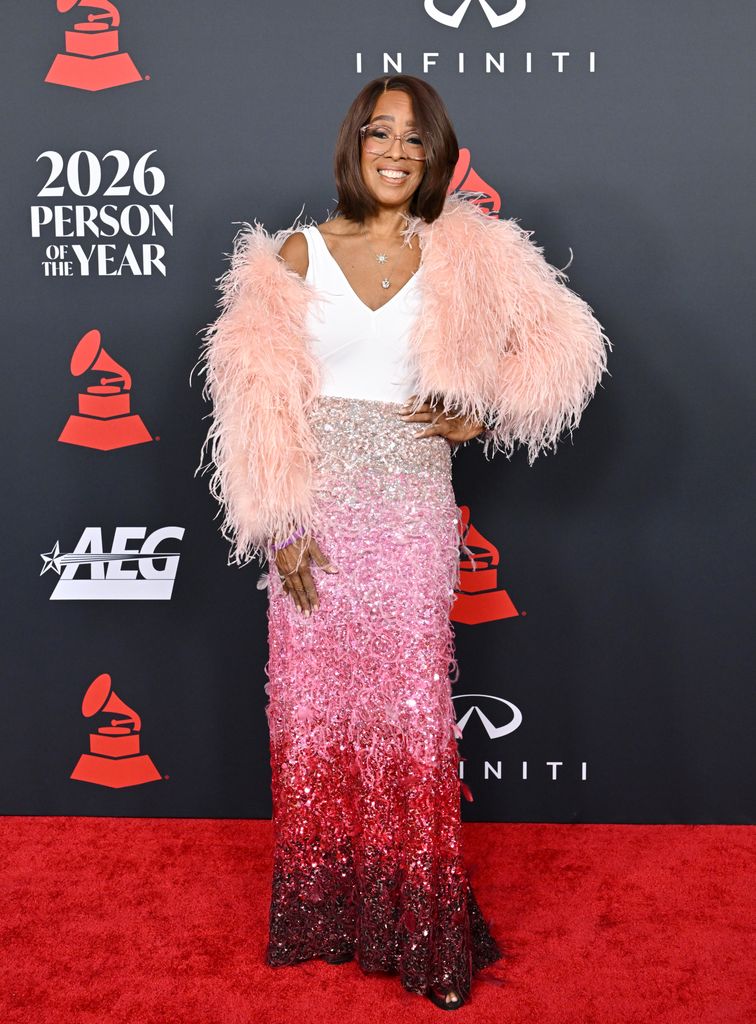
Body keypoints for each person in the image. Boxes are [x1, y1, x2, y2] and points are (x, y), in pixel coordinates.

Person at [195, 74, 610, 1010]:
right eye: (379, 132)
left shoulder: (463, 252)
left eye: (414, 138)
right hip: (319, 522)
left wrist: (482, 413)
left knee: (411, 712)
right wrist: (280, 528)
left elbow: (563, 347)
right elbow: (258, 406)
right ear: (354, 144)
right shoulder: (294, 255)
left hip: (412, 516)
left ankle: (419, 921)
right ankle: (324, 910)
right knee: (317, 709)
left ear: (434, 157)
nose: (394, 150)